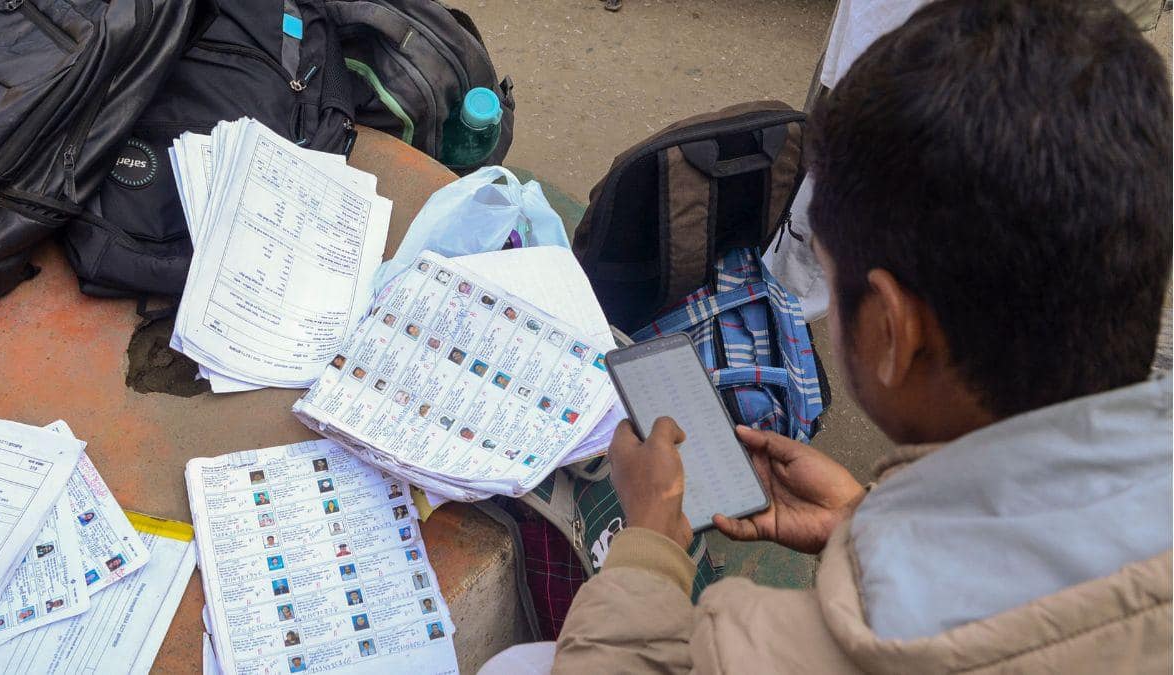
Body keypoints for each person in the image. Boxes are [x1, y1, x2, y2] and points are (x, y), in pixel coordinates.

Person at [492, 2, 1174, 673]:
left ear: (891, 331)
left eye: (826, 265)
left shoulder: (760, 649)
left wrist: (649, 542)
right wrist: (863, 517)